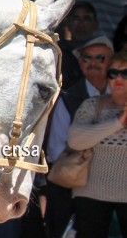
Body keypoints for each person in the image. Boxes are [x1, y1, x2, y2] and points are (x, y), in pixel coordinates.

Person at [45, 35, 113, 238]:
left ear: (111, 63)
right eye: (86, 58)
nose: (92, 63)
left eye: (100, 58)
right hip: (76, 190)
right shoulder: (68, 98)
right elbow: (55, 152)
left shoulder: (122, 96)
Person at [66, 49, 127, 238]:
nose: (118, 78)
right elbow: (75, 141)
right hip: (91, 193)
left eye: (125, 73)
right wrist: (118, 122)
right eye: (113, 73)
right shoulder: (92, 105)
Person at [58, 1, 102, 88]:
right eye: (76, 18)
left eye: (87, 19)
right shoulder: (58, 51)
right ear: (68, 23)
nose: (81, 24)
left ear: (95, 25)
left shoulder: (102, 54)